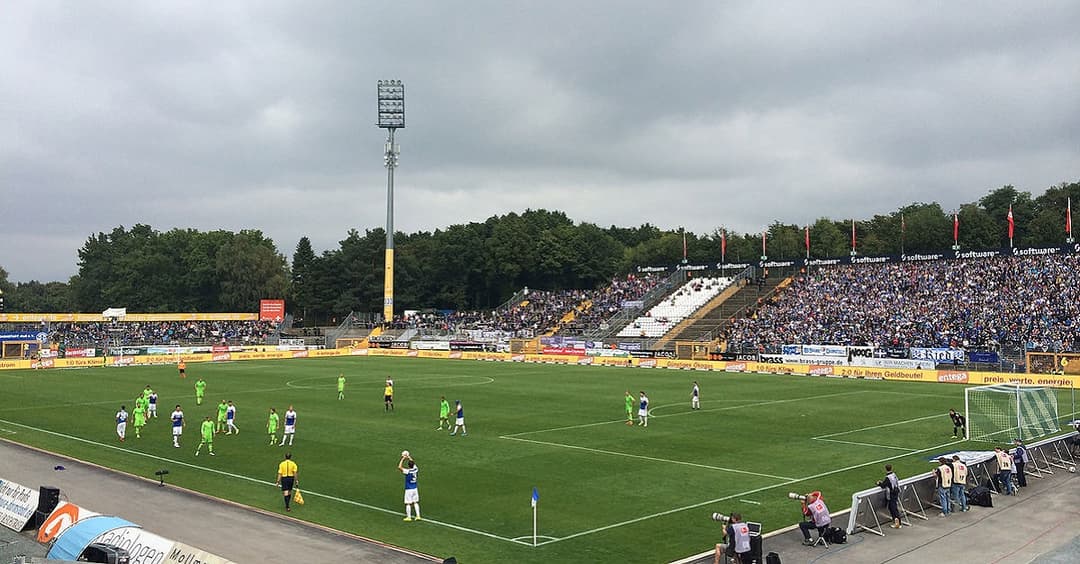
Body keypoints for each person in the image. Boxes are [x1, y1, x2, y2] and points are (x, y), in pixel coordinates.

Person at [398, 452, 421, 522]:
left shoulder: (407, 471)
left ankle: (409, 517)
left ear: (408, 465)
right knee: (415, 502)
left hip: (409, 489)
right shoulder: (416, 469)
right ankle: (418, 516)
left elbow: (399, 467)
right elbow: (413, 463)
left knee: (408, 503)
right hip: (415, 488)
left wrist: (403, 458)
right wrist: (409, 457)